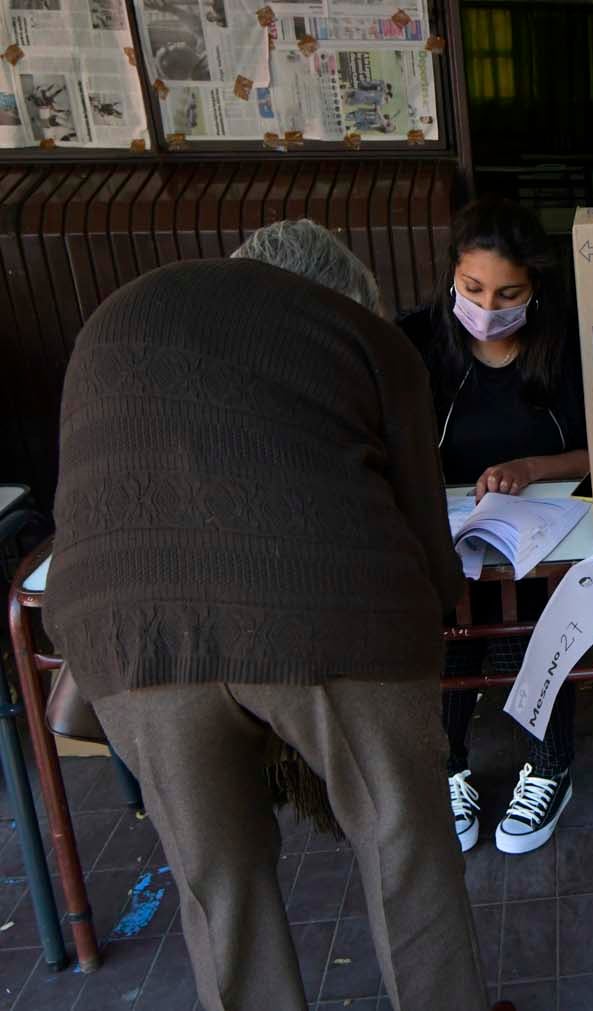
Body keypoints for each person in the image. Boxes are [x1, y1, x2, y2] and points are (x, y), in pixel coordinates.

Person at [43, 220, 513, 1011]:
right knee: (405, 847)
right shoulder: (367, 338)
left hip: (125, 635)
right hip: (333, 613)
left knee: (215, 884)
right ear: (346, 299)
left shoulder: (116, 316)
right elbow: (433, 560)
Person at [398, 198, 589, 855]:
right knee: (449, 619)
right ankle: (448, 766)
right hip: (448, 529)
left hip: (544, 531)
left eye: (509, 292)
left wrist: (532, 465)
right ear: (451, 275)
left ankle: (549, 763)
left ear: (535, 286)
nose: (487, 306)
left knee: (530, 618)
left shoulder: (562, 344)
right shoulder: (417, 341)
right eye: (472, 288)